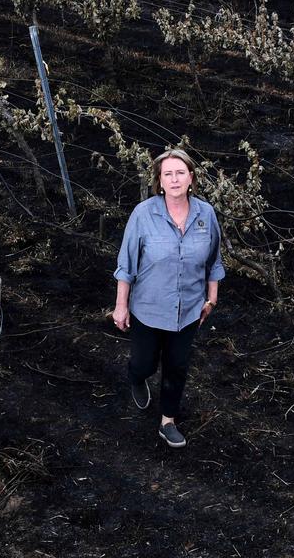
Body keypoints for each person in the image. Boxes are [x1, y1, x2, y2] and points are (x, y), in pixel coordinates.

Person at [112, 149, 224, 448]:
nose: (175, 179)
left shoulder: (206, 214)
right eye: (168, 174)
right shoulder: (144, 214)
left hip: (188, 309)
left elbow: (214, 260)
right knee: (144, 363)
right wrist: (121, 306)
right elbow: (126, 264)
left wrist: (211, 298)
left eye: (180, 173)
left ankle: (168, 421)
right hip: (148, 310)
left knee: (177, 366)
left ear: (192, 178)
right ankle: (136, 377)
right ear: (159, 181)